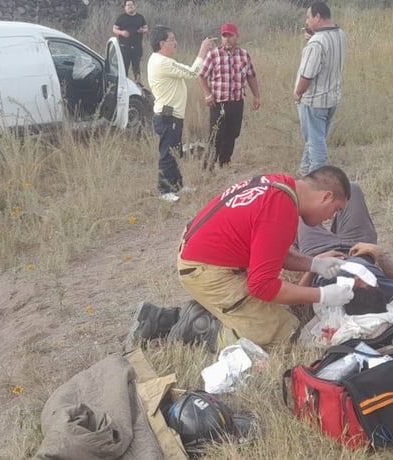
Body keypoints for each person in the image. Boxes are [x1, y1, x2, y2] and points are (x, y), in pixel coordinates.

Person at [126, 166, 355, 351]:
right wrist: (324, 294)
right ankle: (198, 329)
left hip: (204, 257)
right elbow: (262, 286)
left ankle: (161, 318)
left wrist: (314, 264)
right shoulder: (280, 209)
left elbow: (269, 251)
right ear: (326, 197)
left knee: (278, 315)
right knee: (282, 336)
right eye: (335, 210)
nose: (330, 217)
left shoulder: (280, 185)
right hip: (206, 270)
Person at [296, 183, 393, 304]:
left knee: (299, 209)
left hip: (320, 252)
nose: (357, 281)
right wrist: (378, 253)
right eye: (366, 287)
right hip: (358, 248)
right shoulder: (384, 289)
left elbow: (298, 300)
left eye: (355, 289)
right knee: (350, 189)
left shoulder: (331, 294)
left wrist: (315, 264)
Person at [148, 26, 214, 202]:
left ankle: (177, 185)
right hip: (167, 116)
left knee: (175, 150)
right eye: (172, 39)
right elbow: (193, 72)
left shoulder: (158, 59)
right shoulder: (162, 62)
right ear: (162, 43)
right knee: (167, 153)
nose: (175, 43)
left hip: (172, 116)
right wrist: (202, 50)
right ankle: (164, 190)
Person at [198, 22, 261, 169]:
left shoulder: (244, 55)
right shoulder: (214, 55)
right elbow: (201, 76)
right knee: (216, 136)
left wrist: (256, 96)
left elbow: (251, 76)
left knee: (233, 133)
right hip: (218, 103)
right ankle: (208, 166)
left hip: (236, 102)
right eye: (224, 36)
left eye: (230, 35)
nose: (226, 39)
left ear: (236, 36)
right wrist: (207, 95)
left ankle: (225, 162)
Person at [294, 1, 345, 176]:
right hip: (331, 98)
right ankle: (304, 175)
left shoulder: (317, 43)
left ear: (317, 17)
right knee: (314, 140)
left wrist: (298, 92)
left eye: (309, 17)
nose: (307, 21)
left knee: (316, 146)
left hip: (314, 101)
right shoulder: (340, 34)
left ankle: (318, 181)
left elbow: (307, 75)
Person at [112, 0, 149, 81]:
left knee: (136, 68)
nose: (130, 6)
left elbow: (146, 28)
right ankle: (124, 85)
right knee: (124, 67)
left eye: (131, 4)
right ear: (125, 7)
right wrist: (122, 32)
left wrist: (142, 30)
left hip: (137, 47)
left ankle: (138, 85)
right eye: (128, 5)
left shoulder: (140, 17)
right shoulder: (121, 17)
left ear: (134, 6)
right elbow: (114, 29)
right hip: (124, 47)